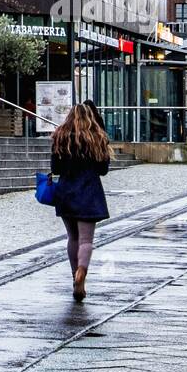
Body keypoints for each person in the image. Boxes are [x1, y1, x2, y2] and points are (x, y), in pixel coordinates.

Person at [50, 101, 111, 302]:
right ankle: (82, 273)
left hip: (66, 192)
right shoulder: (97, 137)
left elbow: (56, 169)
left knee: (72, 238)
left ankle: (74, 274)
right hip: (89, 192)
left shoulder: (60, 137)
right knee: (86, 240)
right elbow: (103, 170)